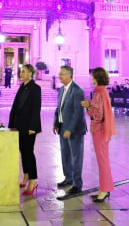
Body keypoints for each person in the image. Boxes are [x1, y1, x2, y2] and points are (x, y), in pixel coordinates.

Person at [81, 67, 116, 203]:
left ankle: (105, 190)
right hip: (101, 130)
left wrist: (87, 106)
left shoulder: (99, 92)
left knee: (103, 161)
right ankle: (103, 188)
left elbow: (98, 113)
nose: (91, 78)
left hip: (99, 130)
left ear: (97, 78)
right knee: (102, 160)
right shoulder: (101, 91)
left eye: (93, 76)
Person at [53, 66, 86, 196]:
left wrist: (70, 129)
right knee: (65, 155)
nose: (59, 76)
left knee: (76, 157)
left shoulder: (77, 90)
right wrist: (56, 123)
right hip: (62, 127)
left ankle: (77, 184)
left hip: (74, 130)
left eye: (61, 74)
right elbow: (59, 108)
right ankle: (68, 178)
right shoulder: (61, 89)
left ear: (69, 75)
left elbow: (78, 113)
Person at [9, 64, 41, 195]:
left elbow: (36, 109)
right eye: (20, 71)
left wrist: (33, 127)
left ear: (30, 74)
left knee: (28, 152)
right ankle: (26, 175)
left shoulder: (35, 88)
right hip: (19, 126)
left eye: (23, 72)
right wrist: (12, 124)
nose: (20, 74)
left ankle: (33, 179)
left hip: (29, 127)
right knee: (23, 151)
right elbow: (16, 107)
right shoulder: (22, 87)